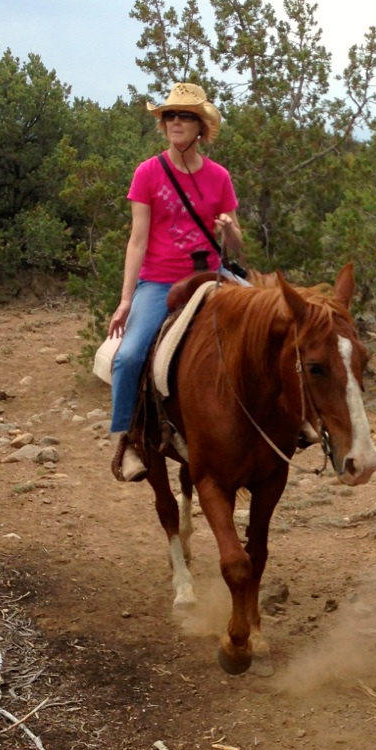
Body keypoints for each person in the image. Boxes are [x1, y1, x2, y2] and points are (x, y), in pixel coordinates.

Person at [108, 82, 244, 481]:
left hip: (212, 275)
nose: (176, 122)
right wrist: (126, 300)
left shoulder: (219, 177)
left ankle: (293, 421)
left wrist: (227, 229)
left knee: (276, 323)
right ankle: (129, 438)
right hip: (161, 281)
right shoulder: (148, 173)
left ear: (201, 128)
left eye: (185, 116)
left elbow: (237, 240)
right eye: (170, 115)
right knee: (130, 355)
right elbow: (137, 240)